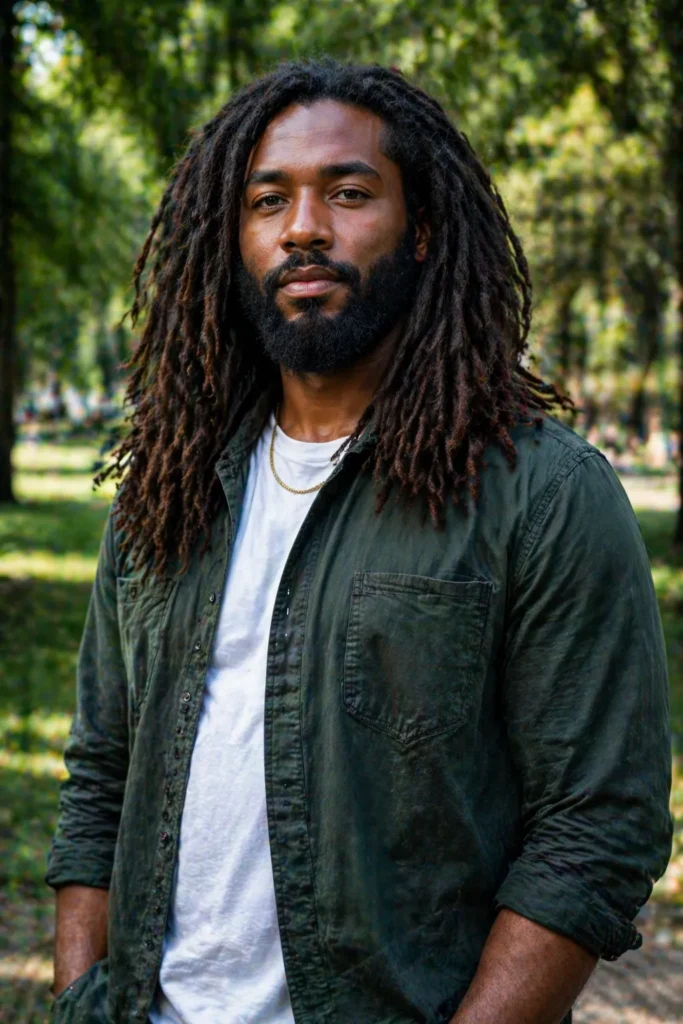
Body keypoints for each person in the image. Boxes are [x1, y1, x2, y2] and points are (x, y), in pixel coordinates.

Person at [47, 59, 672, 1024]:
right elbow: (101, 777)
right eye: (267, 201)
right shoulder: (166, 491)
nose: (303, 227)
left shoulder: (542, 493)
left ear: (421, 230)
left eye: (347, 193)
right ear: (233, 237)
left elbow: (595, 828)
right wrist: (79, 996)